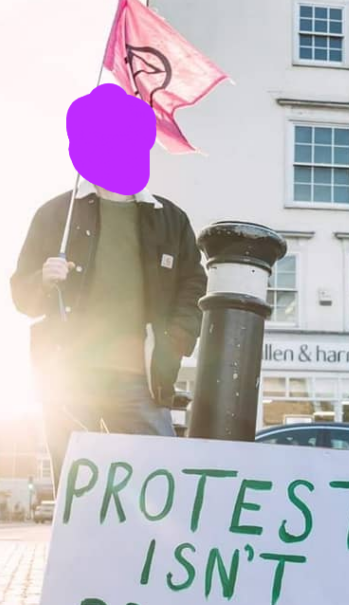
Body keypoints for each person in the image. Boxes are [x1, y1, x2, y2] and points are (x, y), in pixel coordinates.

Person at [11, 180, 206, 493]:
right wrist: (43, 280)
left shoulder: (171, 219)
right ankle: (79, 544)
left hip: (142, 380)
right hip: (70, 379)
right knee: (77, 492)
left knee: (160, 481)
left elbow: (193, 284)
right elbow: (22, 296)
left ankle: (144, 545)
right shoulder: (56, 213)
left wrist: (177, 339)